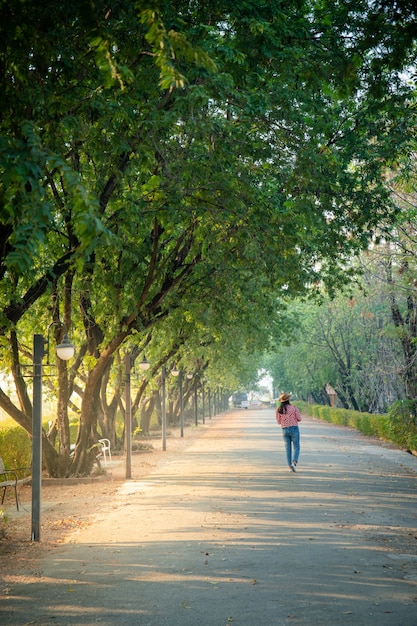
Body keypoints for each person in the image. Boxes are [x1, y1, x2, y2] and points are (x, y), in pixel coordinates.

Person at [276, 392, 301, 472]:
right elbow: (299, 418)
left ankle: (290, 466)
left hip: (285, 430)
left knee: (288, 449)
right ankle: (294, 463)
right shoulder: (294, 408)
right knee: (296, 447)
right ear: (288, 399)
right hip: (294, 429)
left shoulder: (279, 410)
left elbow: (279, 422)